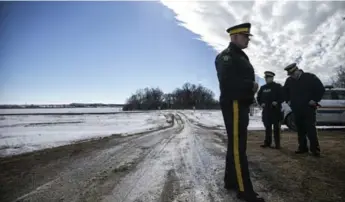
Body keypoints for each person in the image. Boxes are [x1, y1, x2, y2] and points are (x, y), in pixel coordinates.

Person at [215, 22, 265, 202]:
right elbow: (227, 83)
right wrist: (251, 86)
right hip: (234, 104)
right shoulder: (227, 57)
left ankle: (230, 180)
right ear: (234, 36)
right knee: (238, 148)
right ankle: (245, 191)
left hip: (240, 103)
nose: (248, 40)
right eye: (245, 36)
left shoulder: (239, 56)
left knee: (235, 145)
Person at [283, 63, 325, 157]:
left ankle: (315, 149)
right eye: (290, 75)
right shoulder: (289, 80)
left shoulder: (310, 77)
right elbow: (284, 92)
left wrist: (314, 99)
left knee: (310, 129)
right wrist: (288, 101)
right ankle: (302, 148)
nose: (292, 76)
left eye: (293, 74)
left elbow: (321, 89)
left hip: (308, 108)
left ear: (297, 70)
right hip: (296, 109)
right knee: (300, 130)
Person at [256, 71, 284, 149]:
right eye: (265, 78)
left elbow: (283, 96)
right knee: (267, 128)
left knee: (276, 129)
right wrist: (261, 103)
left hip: (276, 111)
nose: (266, 79)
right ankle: (267, 143)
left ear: (272, 78)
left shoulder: (278, 86)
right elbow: (258, 98)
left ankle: (277, 144)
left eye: (268, 78)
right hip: (266, 111)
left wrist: (277, 102)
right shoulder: (263, 88)